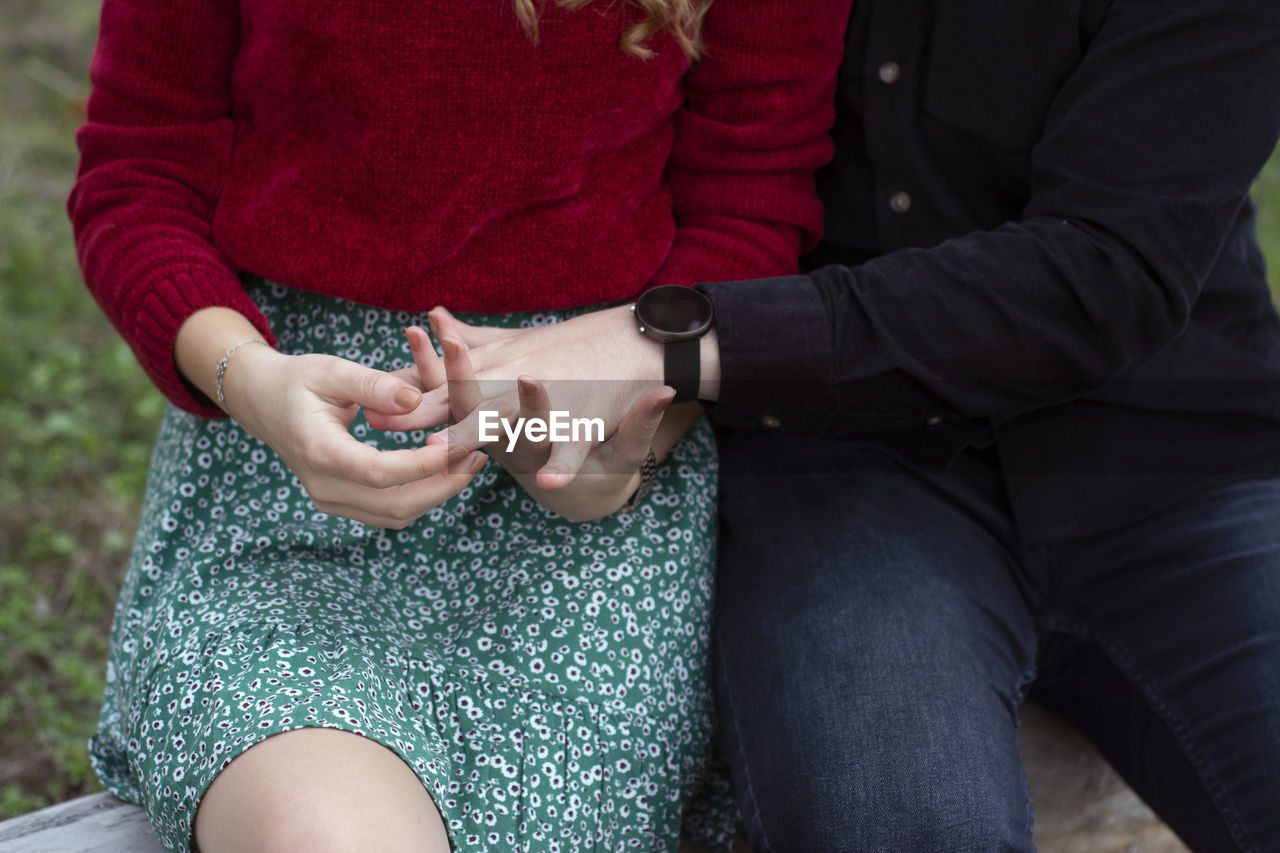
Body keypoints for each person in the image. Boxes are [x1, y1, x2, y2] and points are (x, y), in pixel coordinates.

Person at [419, 0, 1280, 849]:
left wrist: (673, 340)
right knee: (897, 825)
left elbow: (1105, 274)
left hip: (1176, 461)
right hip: (849, 461)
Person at [67, 0, 854, 850]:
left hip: (589, 492)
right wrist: (254, 383)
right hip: (283, 480)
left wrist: (620, 449)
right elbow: (138, 170)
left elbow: (748, 208)